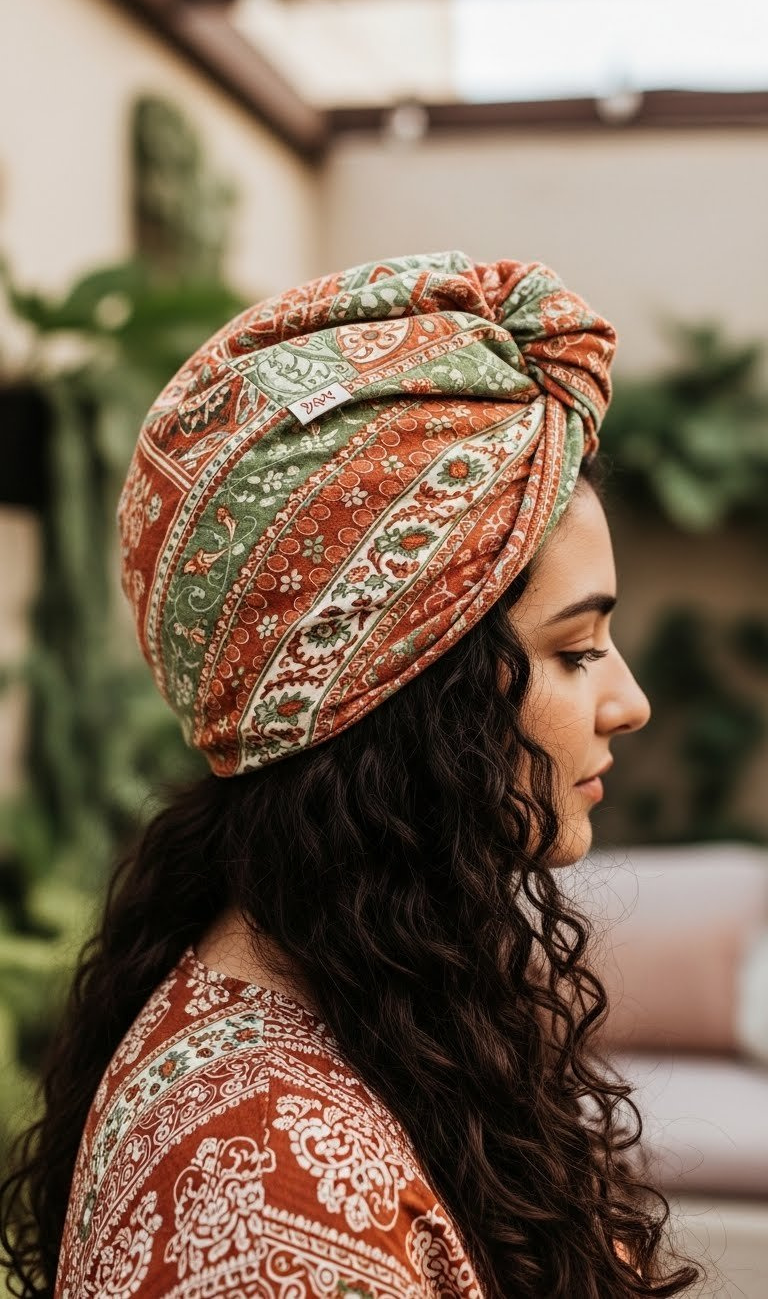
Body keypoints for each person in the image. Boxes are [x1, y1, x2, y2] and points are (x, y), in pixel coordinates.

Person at [0, 252, 700, 1298]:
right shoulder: (268, 1202)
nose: (629, 702)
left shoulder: (377, 989)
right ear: (409, 697)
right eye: (573, 650)